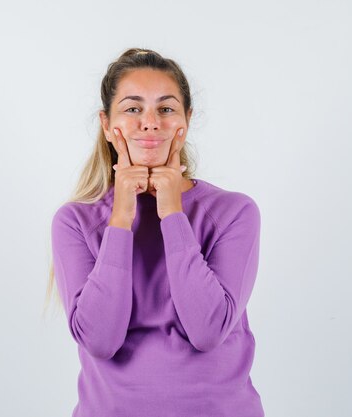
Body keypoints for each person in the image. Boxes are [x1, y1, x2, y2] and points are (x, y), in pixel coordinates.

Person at [46, 48, 265, 417]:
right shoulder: (75, 222)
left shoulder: (235, 212)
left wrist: (172, 213)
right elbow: (100, 340)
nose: (150, 122)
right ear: (107, 123)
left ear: (186, 120)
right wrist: (120, 218)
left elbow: (208, 330)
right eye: (133, 109)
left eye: (165, 109)